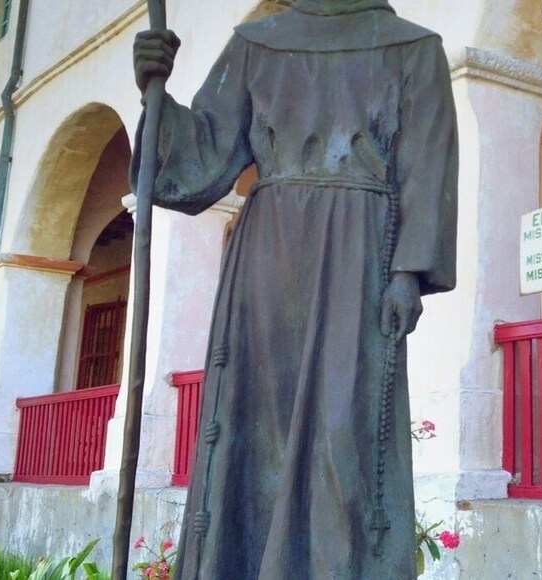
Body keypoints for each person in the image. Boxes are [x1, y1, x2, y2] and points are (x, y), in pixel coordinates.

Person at [131, 1, 458, 577]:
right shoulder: (258, 43)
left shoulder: (413, 46)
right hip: (270, 260)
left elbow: (427, 165)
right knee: (258, 428)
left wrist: (409, 273)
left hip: (361, 260)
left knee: (343, 431)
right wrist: (152, 95)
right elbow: (204, 158)